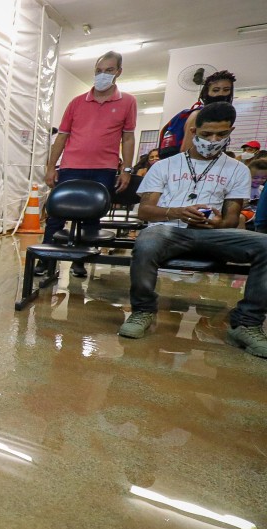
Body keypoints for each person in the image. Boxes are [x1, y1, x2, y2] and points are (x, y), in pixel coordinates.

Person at [118, 102, 267, 358]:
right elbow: (145, 211)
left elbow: (232, 219)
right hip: (168, 229)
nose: (213, 140)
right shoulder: (164, 166)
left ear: (230, 131)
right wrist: (177, 212)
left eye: (221, 135)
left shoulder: (237, 170)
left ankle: (246, 324)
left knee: (264, 245)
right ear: (193, 131)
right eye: (207, 134)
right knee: (147, 240)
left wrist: (216, 222)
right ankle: (142, 310)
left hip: (213, 234)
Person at [40, 50, 137, 278]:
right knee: (56, 216)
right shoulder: (76, 103)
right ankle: (45, 261)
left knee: (91, 217)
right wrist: (51, 167)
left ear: (118, 72)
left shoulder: (127, 102)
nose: (103, 75)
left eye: (109, 70)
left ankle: (79, 261)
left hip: (103, 169)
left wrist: (127, 170)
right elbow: (62, 136)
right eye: (99, 71)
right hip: (72, 167)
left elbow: (128, 137)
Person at [157, 70, 235, 158]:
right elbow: (186, 151)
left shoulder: (225, 118)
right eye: (215, 90)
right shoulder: (198, 114)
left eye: (226, 90)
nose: (221, 94)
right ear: (207, 92)